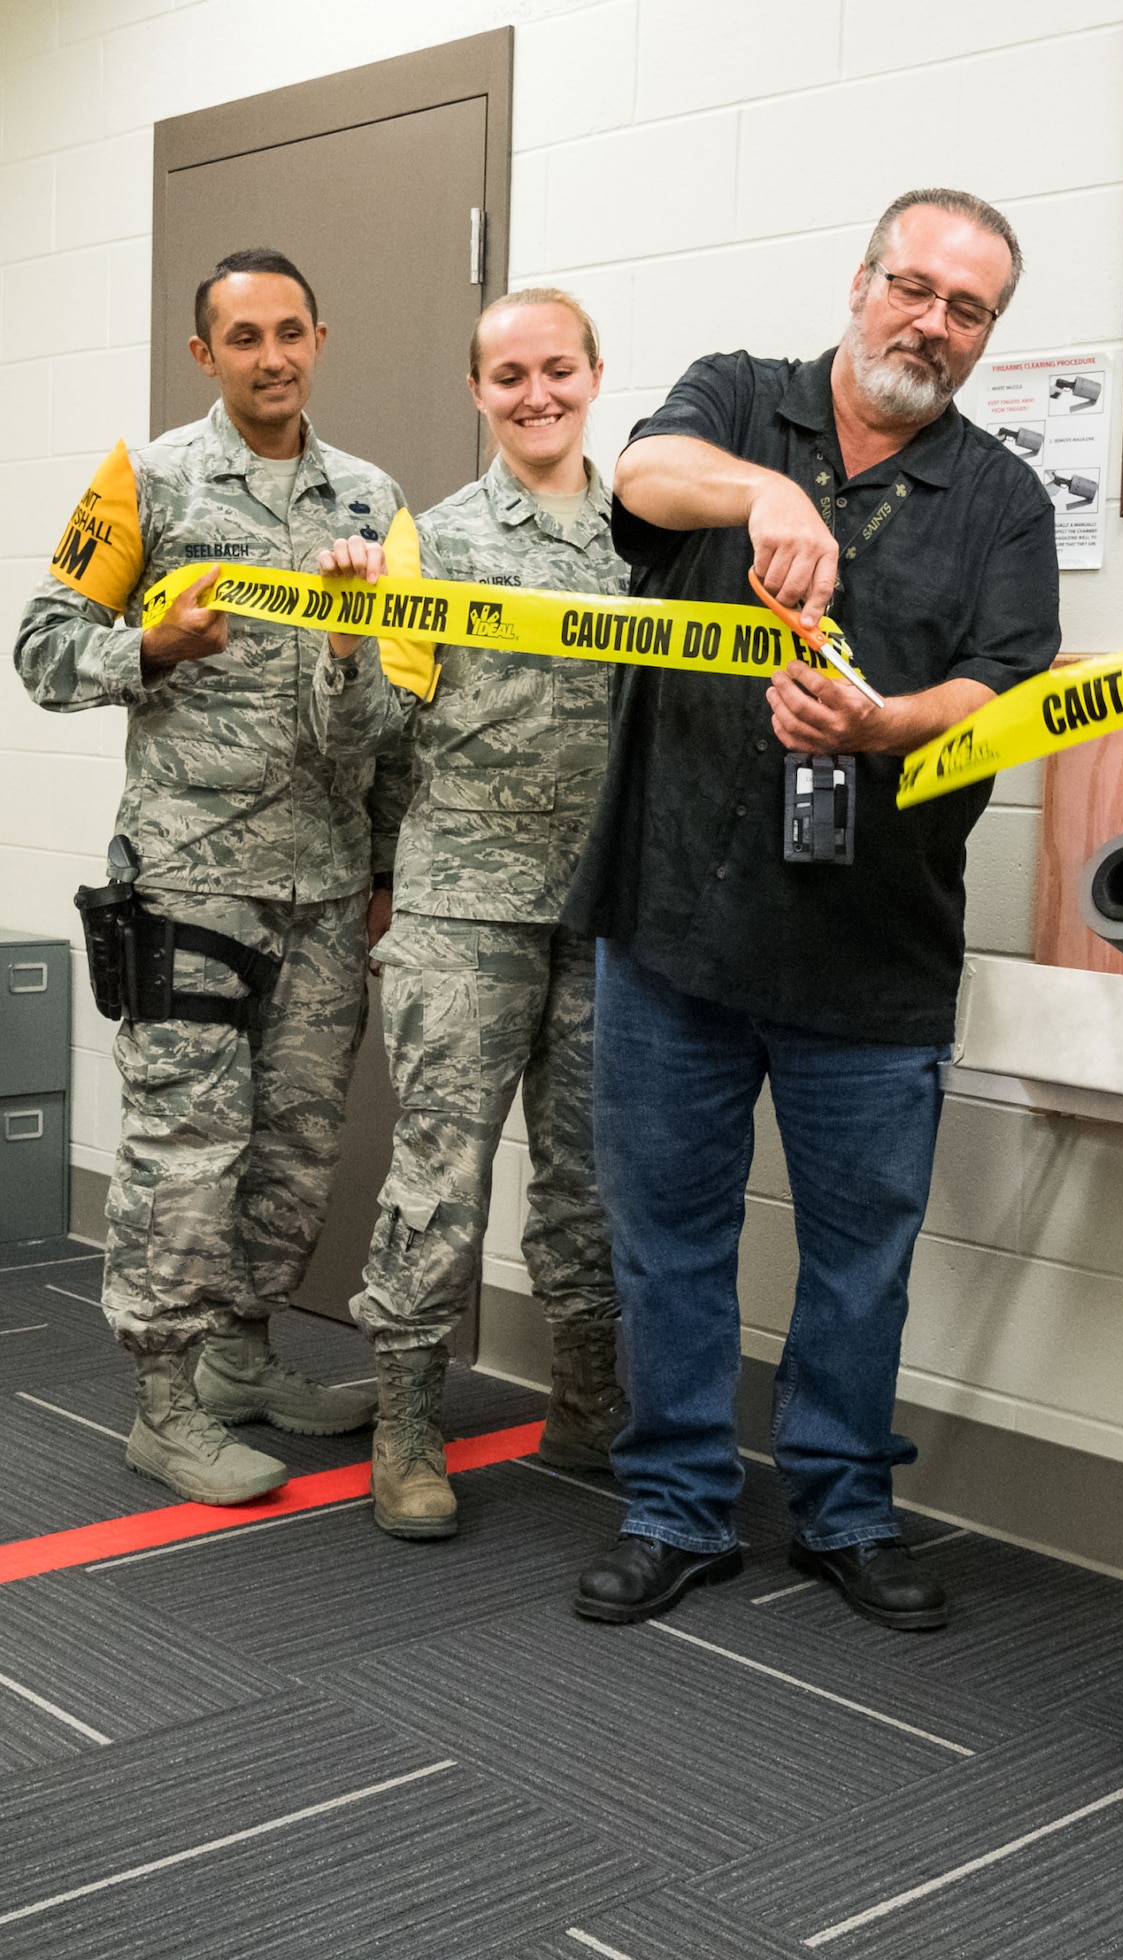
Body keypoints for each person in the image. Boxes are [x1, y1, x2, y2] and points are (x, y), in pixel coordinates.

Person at [563, 188, 1058, 1631]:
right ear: (860, 283)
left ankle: (844, 1508)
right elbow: (647, 477)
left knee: (862, 1256)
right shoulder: (740, 399)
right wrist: (762, 493)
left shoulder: (1003, 501)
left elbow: (1009, 693)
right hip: (676, 925)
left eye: (967, 310)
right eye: (912, 288)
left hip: (872, 949)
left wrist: (889, 725)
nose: (932, 323)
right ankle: (678, 1508)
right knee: (668, 1235)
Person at [14, 248, 403, 1504]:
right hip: (188, 880)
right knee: (185, 1148)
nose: (272, 356)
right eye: (244, 338)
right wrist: (152, 646)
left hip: (325, 889)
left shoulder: (371, 498)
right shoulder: (149, 479)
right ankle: (162, 1402)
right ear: (205, 354)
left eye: (291, 331)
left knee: (295, 1149)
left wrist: (384, 866)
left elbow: (396, 702)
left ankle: (242, 1359)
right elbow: (41, 647)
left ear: (320, 337)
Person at [313, 289, 626, 1540]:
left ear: (595, 372)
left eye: (557, 368)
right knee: (439, 1180)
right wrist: (342, 644)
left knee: (591, 1178)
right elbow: (364, 743)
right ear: (477, 390)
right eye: (509, 376)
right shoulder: (425, 545)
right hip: (463, 909)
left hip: (609, 910)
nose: (536, 393)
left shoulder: (648, 538)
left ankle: (593, 1404)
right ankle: (406, 1427)